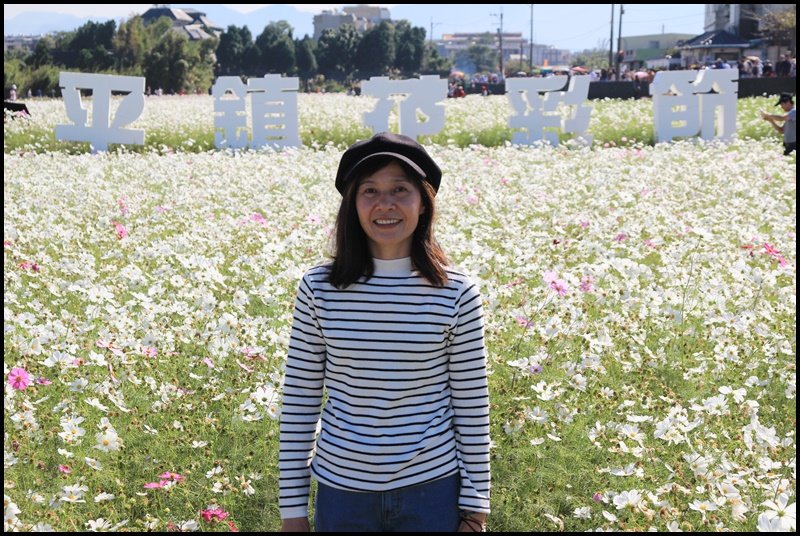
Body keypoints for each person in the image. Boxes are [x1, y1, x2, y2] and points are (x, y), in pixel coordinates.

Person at [279, 132, 491, 532]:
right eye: (370, 191)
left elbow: (471, 405)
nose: (385, 204)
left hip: (433, 492)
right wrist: (292, 512)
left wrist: (476, 510)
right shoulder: (319, 288)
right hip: (342, 496)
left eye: (400, 189)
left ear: (424, 202)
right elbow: (300, 404)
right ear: (352, 205)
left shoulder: (457, 292)